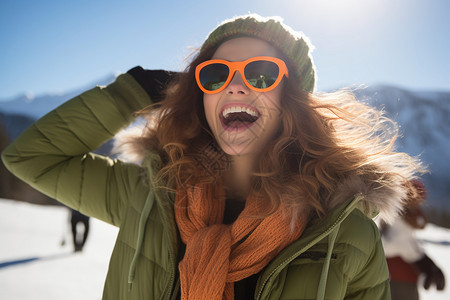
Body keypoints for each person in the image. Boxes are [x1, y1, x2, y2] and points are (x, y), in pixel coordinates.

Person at [2, 14, 425, 299]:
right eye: (216, 74)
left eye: (260, 74)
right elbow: (33, 157)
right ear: (201, 97)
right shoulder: (151, 196)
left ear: (292, 99)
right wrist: (134, 90)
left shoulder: (345, 232)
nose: (235, 86)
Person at [380, 180, 445, 300]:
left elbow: (407, 244)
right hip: (396, 279)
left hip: (403, 279)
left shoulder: (406, 217)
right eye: (416, 201)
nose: (417, 205)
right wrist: (425, 263)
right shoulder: (396, 216)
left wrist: (427, 264)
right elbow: (399, 245)